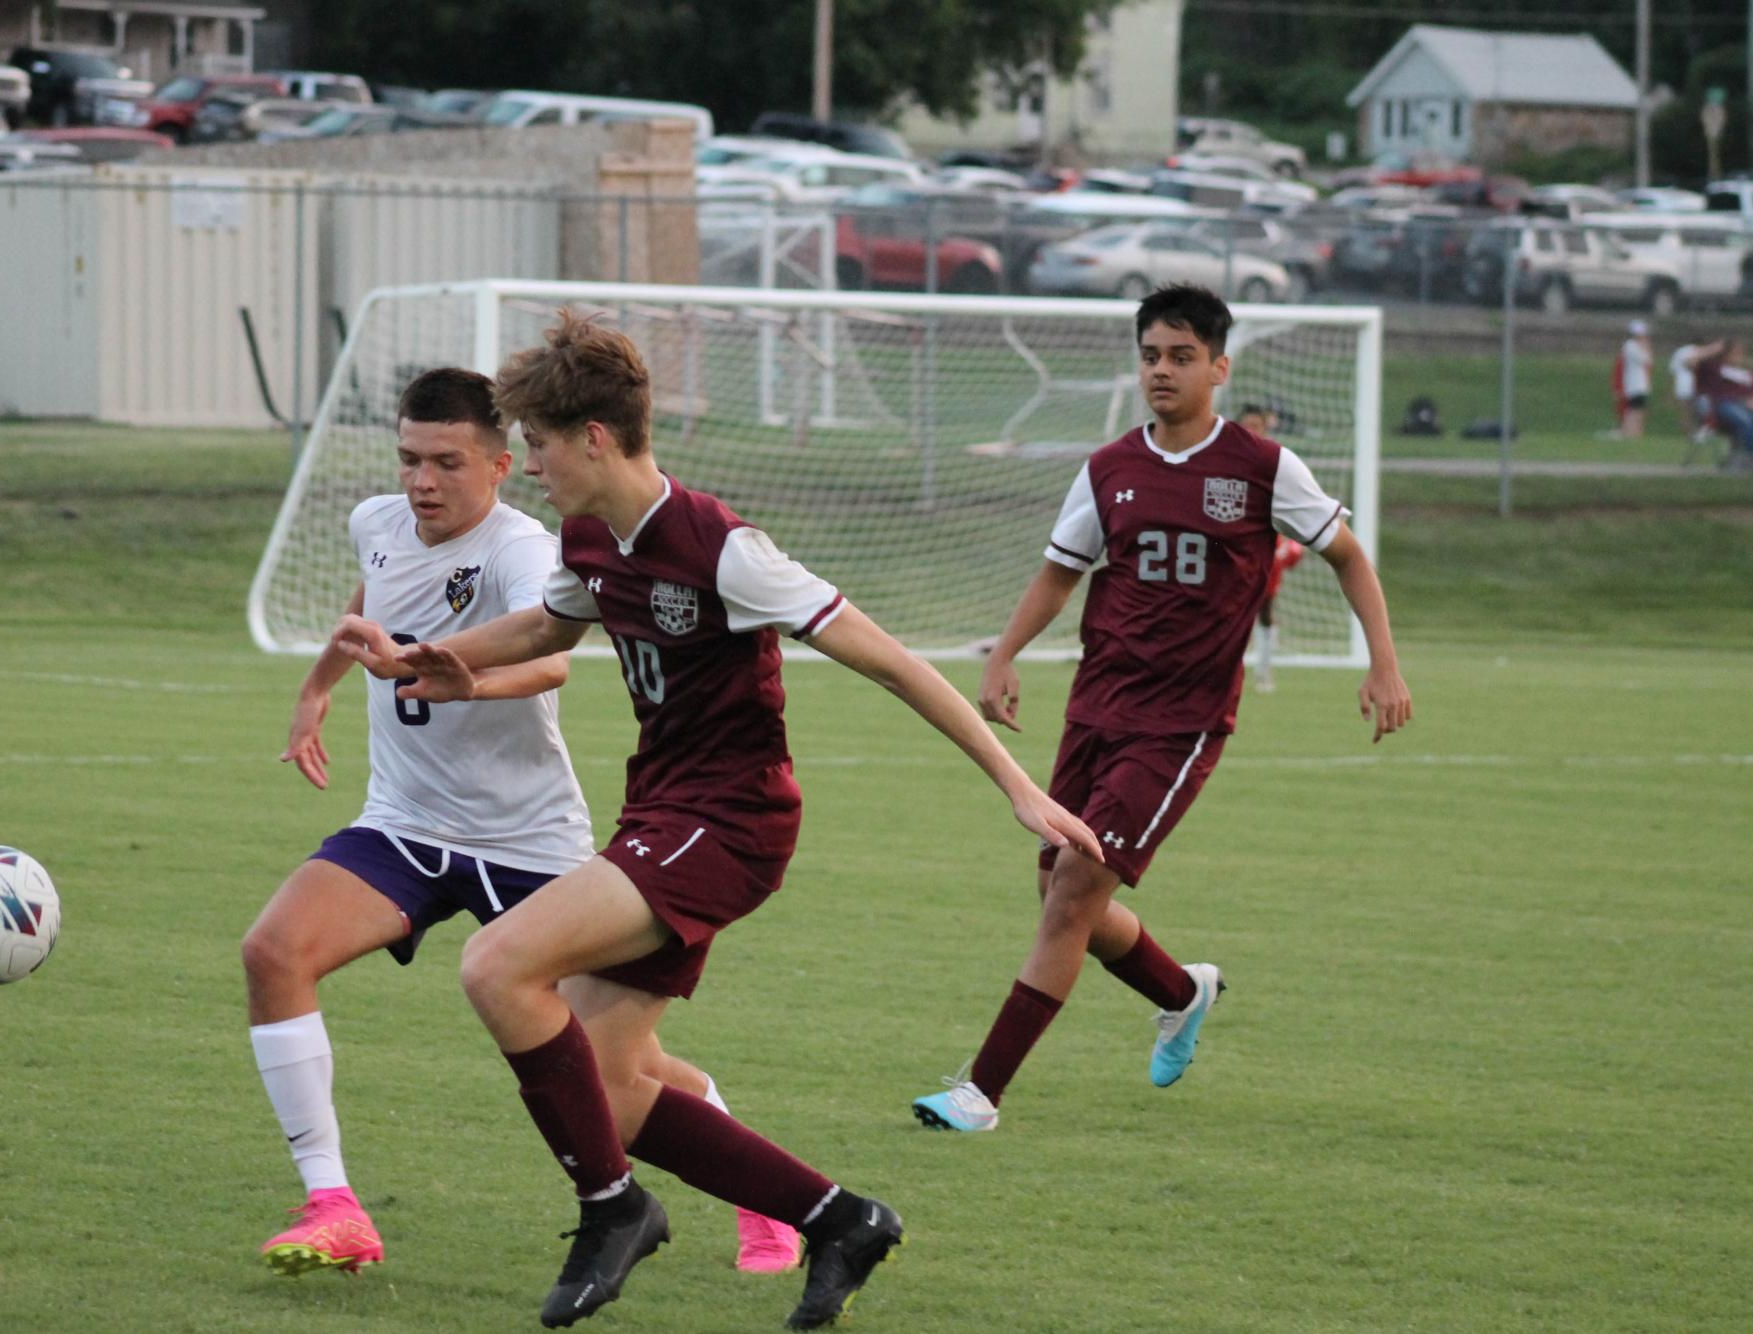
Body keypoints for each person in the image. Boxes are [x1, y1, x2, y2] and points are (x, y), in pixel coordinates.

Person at [334, 312, 1100, 1330]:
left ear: (596, 438)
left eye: (546, 444)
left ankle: (612, 1209)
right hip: (660, 809)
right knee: (606, 1084)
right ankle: (840, 1218)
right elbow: (552, 622)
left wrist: (1017, 783)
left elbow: (893, 659)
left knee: (496, 965)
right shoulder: (589, 536)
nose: (534, 465)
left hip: (730, 819)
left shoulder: (725, 549)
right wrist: (440, 655)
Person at [240, 368, 801, 1279]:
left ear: (502, 465)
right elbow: (366, 605)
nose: (422, 481)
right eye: (409, 460)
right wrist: (314, 694)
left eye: (446, 463)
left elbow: (553, 663)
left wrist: (465, 678)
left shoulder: (524, 548)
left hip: (528, 842)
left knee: (623, 1065)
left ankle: (760, 1198)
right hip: (406, 825)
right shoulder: (377, 524)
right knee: (273, 952)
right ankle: (334, 1205)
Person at [909, 285, 1411, 1135]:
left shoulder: (1261, 467)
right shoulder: (1109, 469)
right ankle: (1182, 993)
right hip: (1095, 707)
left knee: (1072, 893)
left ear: (1219, 366)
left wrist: (1384, 666)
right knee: (1058, 895)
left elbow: (1349, 557)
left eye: (1181, 356)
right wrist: (1001, 656)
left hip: (1179, 723)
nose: (1162, 371)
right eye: (1150, 356)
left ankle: (980, 1091)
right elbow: (1061, 572)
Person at [1235, 406, 1303, 694]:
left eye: (1257, 426)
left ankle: (1263, 671)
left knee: (1264, 609)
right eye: (1246, 425)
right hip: (1231, 546)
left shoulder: (1277, 463)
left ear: (1265, 429)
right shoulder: (1224, 460)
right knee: (1227, 612)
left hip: (1266, 547)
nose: (1251, 431)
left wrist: (1291, 542)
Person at [1694, 339, 1753, 470]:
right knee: (1745, 420)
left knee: (1748, 418)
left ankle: (1741, 458)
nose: (1739, 355)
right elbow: (1689, 361)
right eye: (1735, 352)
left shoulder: (1746, 374)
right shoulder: (1713, 368)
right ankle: (1748, 457)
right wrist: (1713, 348)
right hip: (1718, 407)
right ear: (1725, 353)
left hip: (1743, 407)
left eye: (1741, 352)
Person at [1615, 321, 1652, 439]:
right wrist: (1645, 347)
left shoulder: (1634, 346)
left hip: (1639, 384)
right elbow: (1645, 360)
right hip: (1635, 384)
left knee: (1638, 410)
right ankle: (1630, 432)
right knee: (1634, 410)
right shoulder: (1631, 345)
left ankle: (1635, 432)